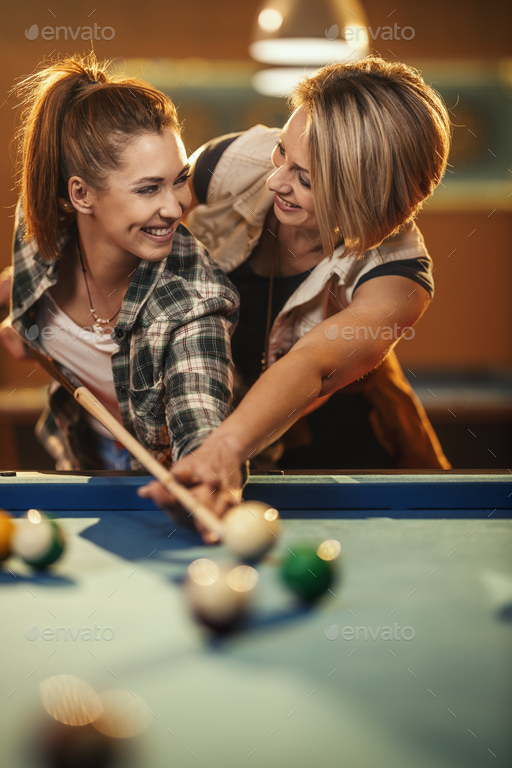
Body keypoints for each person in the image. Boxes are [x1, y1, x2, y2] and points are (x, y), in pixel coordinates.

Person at [138, 56, 452, 529]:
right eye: (281, 151)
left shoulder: (399, 278)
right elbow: (136, 229)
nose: (275, 181)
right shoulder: (233, 163)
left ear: (364, 194)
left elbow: (310, 364)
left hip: (337, 441)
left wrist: (222, 450)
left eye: (304, 179)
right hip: (213, 409)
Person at [0, 55, 239, 472]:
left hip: (163, 476)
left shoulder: (194, 299)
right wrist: (20, 303)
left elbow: (200, 428)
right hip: (82, 456)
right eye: (148, 188)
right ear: (80, 196)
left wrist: (206, 476)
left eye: (179, 180)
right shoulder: (37, 222)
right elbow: (39, 264)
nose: (176, 208)